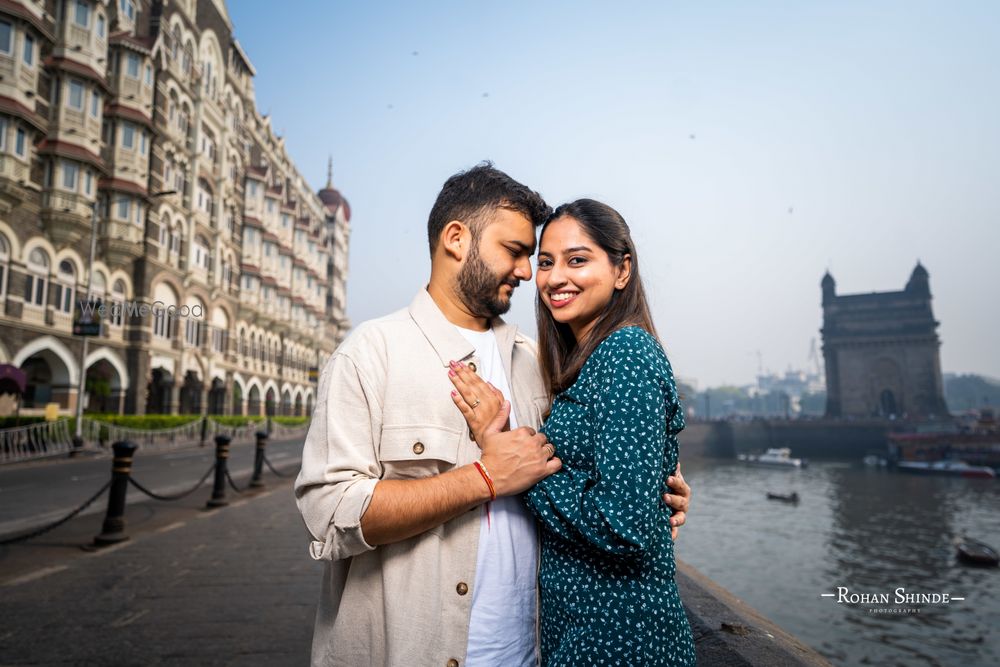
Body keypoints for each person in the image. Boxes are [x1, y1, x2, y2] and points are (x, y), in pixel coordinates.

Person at [295, 164, 692, 666]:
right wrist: (484, 477)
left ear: (622, 270)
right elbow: (328, 513)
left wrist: (664, 484)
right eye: (519, 252)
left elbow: (604, 472)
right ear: (457, 239)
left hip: (535, 652)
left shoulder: (540, 364)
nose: (529, 273)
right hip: (411, 651)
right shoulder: (371, 354)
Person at [448, 198, 697, 665]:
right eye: (546, 262)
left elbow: (625, 526)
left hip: (622, 640)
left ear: (622, 270)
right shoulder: (585, 362)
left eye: (577, 260)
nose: (555, 277)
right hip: (581, 637)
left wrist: (509, 460)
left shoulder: (626, 354)